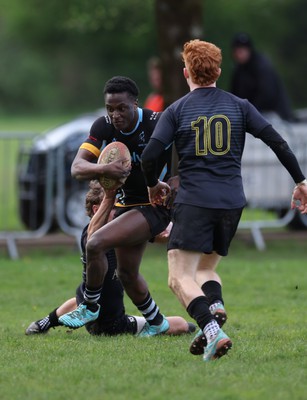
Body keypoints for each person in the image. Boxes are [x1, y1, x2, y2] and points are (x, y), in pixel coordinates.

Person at [141, 39, 307, 361]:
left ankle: (213, 331)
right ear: (218, 70)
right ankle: (215, 308)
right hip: (232, 202)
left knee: (178, 277)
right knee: (205, 269)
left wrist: (152, 186)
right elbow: (277, 141)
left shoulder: (177, 110)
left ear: (186, 71)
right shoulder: (240, 105)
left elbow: (149, 157)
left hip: (195, 201)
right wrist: (301, 181)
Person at [58, 76, 173, 337]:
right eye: (110, 108)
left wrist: (176, 184)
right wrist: (104, 168)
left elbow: (184, 157)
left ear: (135, 103)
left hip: (154, 205)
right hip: (125, 204)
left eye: (122, 108)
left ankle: (89, 305)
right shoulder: (104, 126)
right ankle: (157, 322)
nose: (116, 114)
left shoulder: (156, 123)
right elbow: (78, 167)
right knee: (127, 274)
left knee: (95, 243)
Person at [26, 180, 195, 336]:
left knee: (85, 297)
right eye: (116, 205)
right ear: (97, 209)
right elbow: (92, 240)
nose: (123, 211)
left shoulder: (126, 234)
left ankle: (44, 323)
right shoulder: (92, 237)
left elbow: (157, 235)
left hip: (92, 308)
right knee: (181, 325)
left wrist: (168, 228)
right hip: (114, 325)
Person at [230, 32, 295, 122]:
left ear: (249, 50)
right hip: (254, 114)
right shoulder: (239, 70)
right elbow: (235, 94)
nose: (239, 54)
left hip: (273, 115)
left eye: (241, 51)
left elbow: (267, 94)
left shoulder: (261, 66)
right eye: (236, 51)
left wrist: (250, 112)